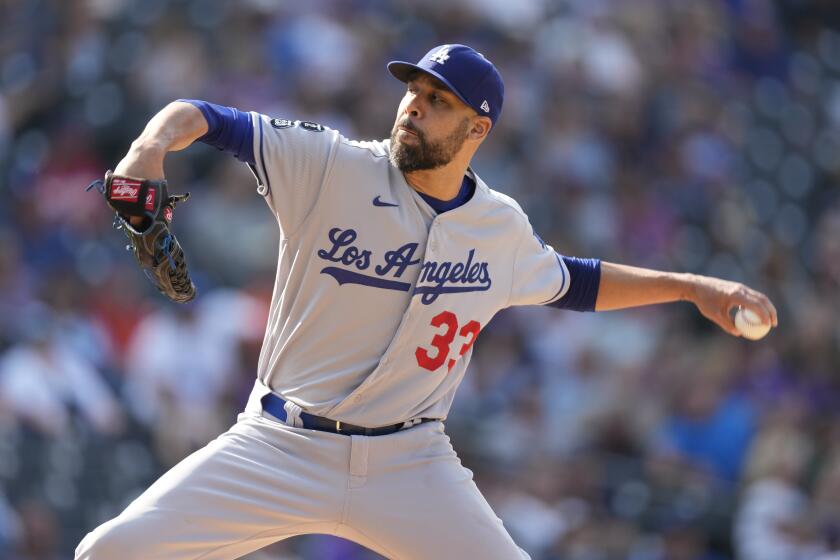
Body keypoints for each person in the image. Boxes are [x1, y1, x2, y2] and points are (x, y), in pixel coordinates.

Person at [75, 44, 777, 560]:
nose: (414, 106)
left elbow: (576, 281)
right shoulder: (330, 165)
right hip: (278, 446)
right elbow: (203, 116)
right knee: (108, 555)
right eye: (413, 91)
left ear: (478, 129)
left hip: (409, 464)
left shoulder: (499, 226)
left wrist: (689, 287)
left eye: (439, 102)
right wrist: (147, 148)